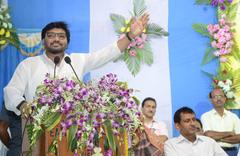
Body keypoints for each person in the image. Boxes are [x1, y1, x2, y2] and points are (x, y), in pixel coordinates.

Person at [3, 14, 149, 156]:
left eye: (61, 36)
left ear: (67, 41)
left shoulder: (76, 61)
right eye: (51, 35)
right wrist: (23, 105)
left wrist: (130, 36)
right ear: (43, 40)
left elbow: (105, 54)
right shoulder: (28, 65)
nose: (56, 39)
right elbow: (11, 91)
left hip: (71, 133)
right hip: (37, 131)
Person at [201, 88, 240, 156]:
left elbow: (239, 137)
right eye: (215, 97)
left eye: (220, 96)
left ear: (225, 98)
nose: (218, 99)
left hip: (232, 152)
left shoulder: (234, 117)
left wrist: (218, 138)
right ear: (211, 100)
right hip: (213, 152)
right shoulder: (205, 116)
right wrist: (230, 133)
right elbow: (208, 135)